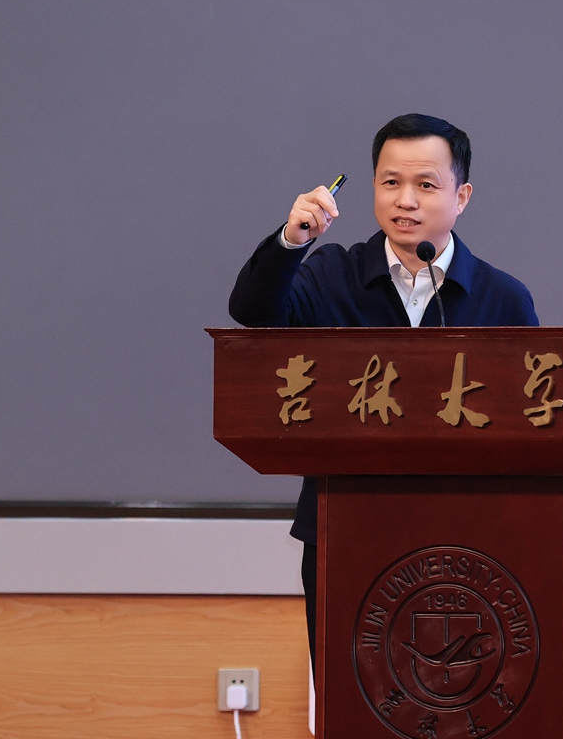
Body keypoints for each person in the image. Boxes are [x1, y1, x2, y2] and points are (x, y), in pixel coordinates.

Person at [228, 113, 538, 667]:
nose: (405, 200)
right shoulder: (331, 274)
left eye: (426, 185)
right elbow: (252, 312)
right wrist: (291, 240)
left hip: (469, 542)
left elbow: (530, 427)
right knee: (349, 691)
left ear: (461, 197)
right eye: (391, 182)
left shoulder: (503, 298)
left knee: (454, 686)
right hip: (344, 527)